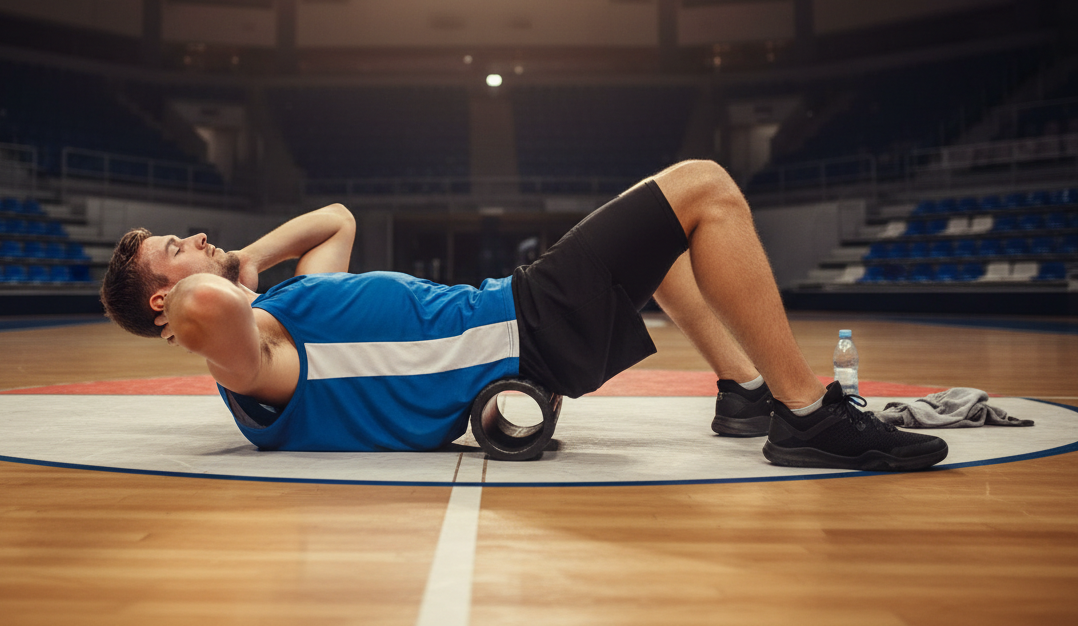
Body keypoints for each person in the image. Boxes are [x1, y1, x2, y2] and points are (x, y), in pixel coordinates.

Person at [100, 160, 948, 472]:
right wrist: (219, 283)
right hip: (525, 324)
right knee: (705, 187)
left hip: (521, 318)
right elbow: (213, 309)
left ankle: (745, 390)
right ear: (164, 302)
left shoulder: (287, 312)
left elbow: (336, 219)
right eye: (177, 245)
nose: (199, 239)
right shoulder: (258, 363)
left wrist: (246, 260)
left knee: (662, 233)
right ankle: (806, 413)